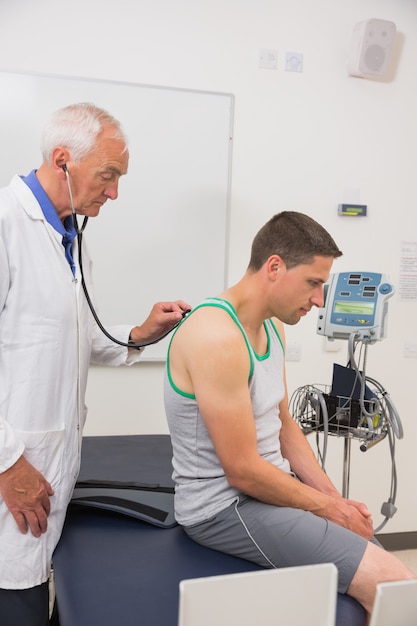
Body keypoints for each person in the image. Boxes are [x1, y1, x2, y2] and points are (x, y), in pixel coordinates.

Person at [164, 211, 416, 619]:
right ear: (275, 267)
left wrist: (336, 500)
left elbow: (284, 425)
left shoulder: (270, 327)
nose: (319, 301)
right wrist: (328, 510)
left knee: (378, 557)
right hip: (224, 508)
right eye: (314, 283)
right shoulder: (216, 337)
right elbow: (242, 471)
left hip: (269, 489)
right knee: (397, 585)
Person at [0, 102, 190, 626]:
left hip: (47, 469)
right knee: (14, 600)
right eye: (108, 176)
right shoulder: (7, 224)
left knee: (38, 599)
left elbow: (75, 335)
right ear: (62, 160)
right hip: (12, 472)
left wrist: (140, 335)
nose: (114, 192)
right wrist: (9, 463)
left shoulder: (66, 235)